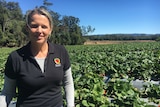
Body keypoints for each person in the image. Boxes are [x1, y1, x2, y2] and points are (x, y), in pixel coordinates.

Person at [0, 7, 75, 107]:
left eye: (44, 27)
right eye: (34, 26)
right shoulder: (15, 57)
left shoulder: (60, 52)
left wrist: (70, 105)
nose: (39, 31)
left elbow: (68, 83)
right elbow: (7, 93)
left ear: (50, 30)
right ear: (27, 28)